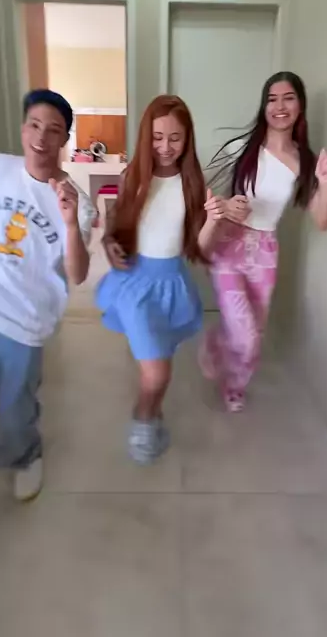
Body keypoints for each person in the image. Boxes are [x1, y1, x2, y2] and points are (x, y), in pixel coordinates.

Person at [0, 89, 96, 502]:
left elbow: (78, 274)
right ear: (23, 128)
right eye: (34, 125)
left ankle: (25, 454)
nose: (41, 137)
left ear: (64, 139)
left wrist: (70, 224)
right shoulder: (0, 170)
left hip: (26, 322)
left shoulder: (76, 202)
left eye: (53, 130)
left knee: (15, 411)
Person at [199, 71, 327, 413]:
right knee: (244, 333)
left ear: (300, 106)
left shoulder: (305, 161)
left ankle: (234, 382)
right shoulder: (241, 149)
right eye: (272, 99)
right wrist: (225, 205)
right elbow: (203, 193)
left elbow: (323, 221)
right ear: (264, 106)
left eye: (288, 98)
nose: (279, 106)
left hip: (265, 254)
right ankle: (220, 342)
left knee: (254, 338)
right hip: (229, 246)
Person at [96, 95, 225, 464]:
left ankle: (152, 413)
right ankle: (143, 419)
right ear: (145, 136)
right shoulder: (132, 177)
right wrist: (107, 242)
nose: (165, 147)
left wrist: (214, 221)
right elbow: (114, 226)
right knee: (158, 374)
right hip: (135, 284)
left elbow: (198, 248)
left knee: (161, 360)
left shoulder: (192, 184)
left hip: (172, 285)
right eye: (157, 137)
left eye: (175, 138)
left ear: (187, 139)